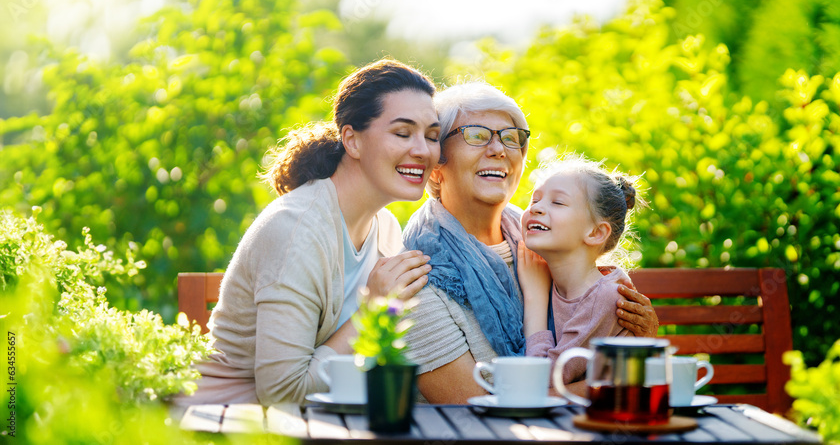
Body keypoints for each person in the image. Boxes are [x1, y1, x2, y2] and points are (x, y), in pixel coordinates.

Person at [177, 59, 441, 406]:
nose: (422, 150)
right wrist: (373, 309)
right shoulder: (296, 230)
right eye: (403, 133)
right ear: (352, 140)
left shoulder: (385, 228)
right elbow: (283, 391)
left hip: (329, 421)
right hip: (230, 422)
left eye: (432, 136)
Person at [403, 82, 660, 403]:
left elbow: (603, 311)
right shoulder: (419, 277)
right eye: (476, 135)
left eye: (512, 138)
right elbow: (470, 409)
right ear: (436, 167)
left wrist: (640, 338)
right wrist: (617, 380)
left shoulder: (551, 241)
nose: (499, 149)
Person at [519, 155, 646, 383]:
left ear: (596, 233)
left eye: (557, 202)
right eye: (534, 200)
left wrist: (535, 298)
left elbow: (543, 378)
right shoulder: (558, 281)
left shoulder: (606, 297)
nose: (536, 208)